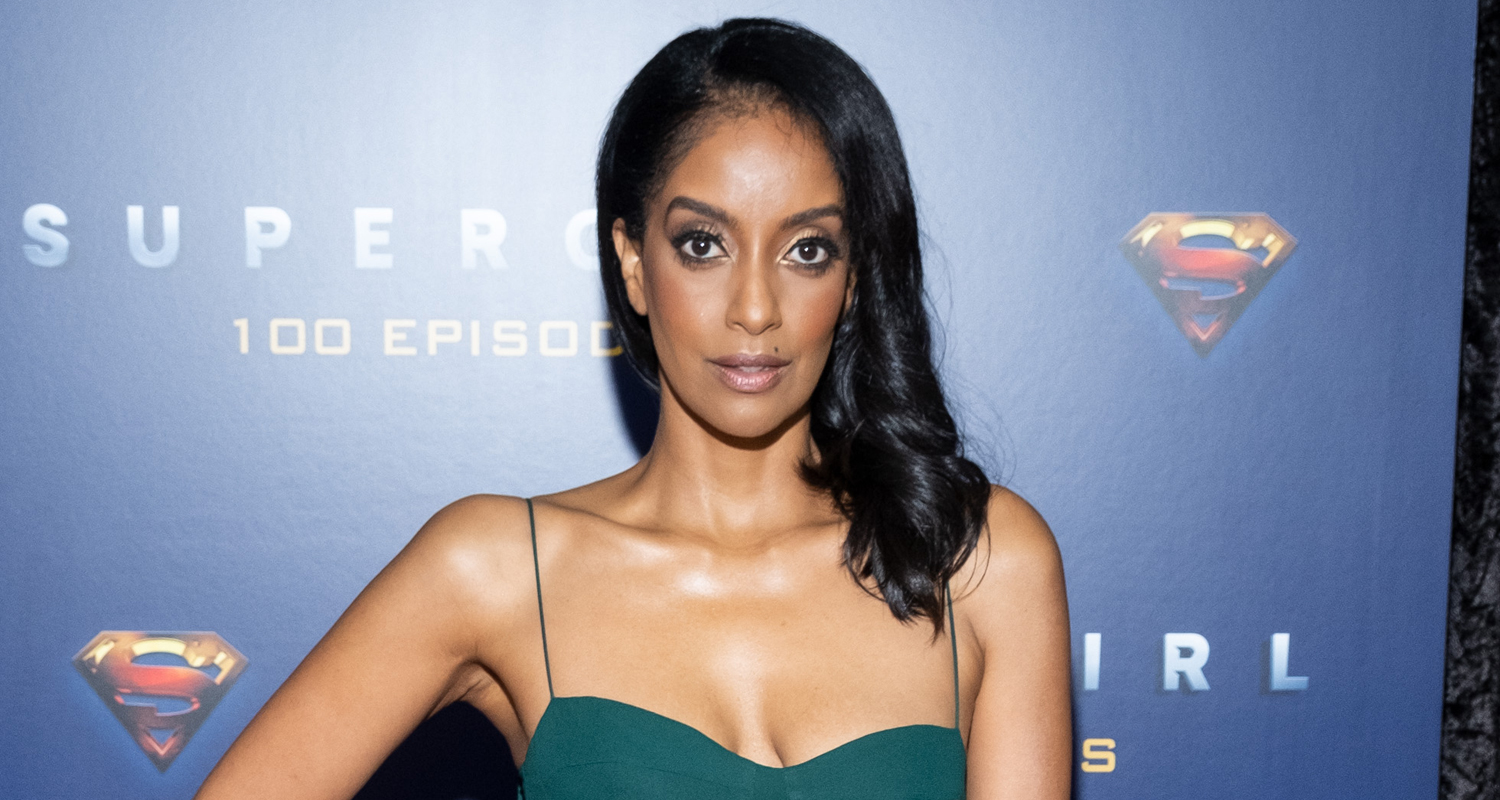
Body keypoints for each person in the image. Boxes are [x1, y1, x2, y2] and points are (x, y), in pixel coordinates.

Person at [195, 17, 1070, 800]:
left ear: (851, 282)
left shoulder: (980, 560)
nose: (755, 308)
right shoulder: (498, 569)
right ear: (633, 264)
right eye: (703, 244)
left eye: (807, 249)